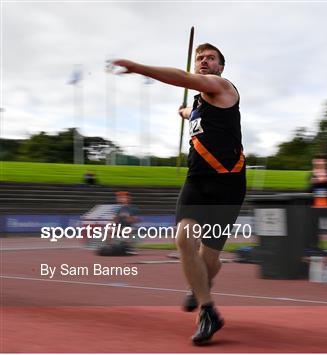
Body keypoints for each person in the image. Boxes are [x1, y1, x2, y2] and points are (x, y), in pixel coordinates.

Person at [112, 43, 246, 345]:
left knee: (210, 258)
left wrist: (139, 68)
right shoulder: (199, 104)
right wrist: (184, 111)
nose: (204, 61)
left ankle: (200, 285)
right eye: (200, 58)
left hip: (227, 183)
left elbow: (185, 79)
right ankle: (208, 311)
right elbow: (191, 111)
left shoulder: (222, 87)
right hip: (197, 179)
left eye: (210, 58)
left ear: (221, 67)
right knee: (184, 237)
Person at [308, 153, 327, 251]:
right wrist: (314, 183)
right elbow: (308, 190)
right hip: (316, 206)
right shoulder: (312, 175)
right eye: (318, 161)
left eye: (321, 161)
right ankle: (315, 247)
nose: (319, 163)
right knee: (314, 227)